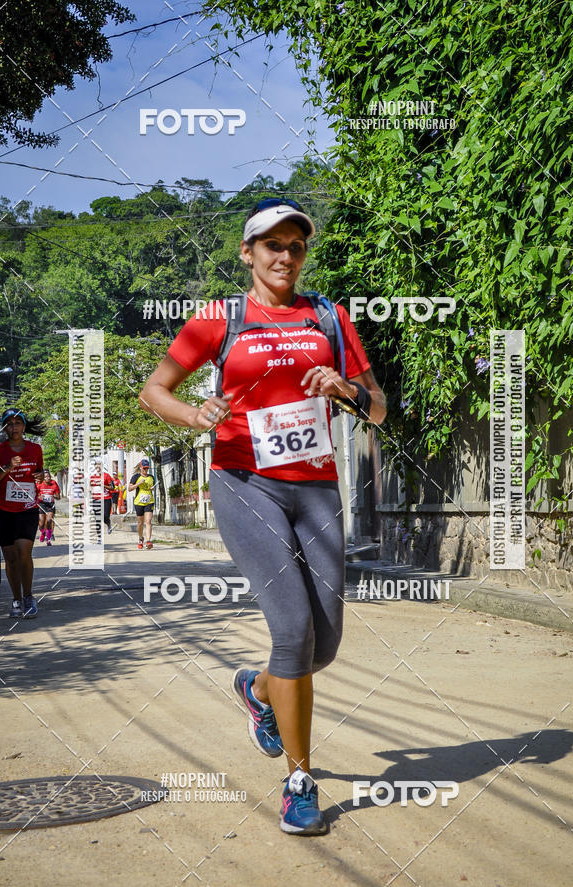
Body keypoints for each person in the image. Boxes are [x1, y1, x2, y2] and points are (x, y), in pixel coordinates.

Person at [140, 197, 386, 835]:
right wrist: (196, 415)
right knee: (292, 628)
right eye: (271, 245)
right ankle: (300, 784)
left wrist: (347, 390)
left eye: (295, 246)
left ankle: (257, 690)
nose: (284, 256)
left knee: (323, 643)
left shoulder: (329, 317)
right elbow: (155, 389)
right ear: (248, 253)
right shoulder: (217, 320)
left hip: (316, 489)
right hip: (244, 482)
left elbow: (378, 407)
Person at [0, 408, 46, 618]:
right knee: (10, 557)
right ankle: (16, 599)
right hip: (2, 510)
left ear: (24, 427)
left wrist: (41, 476)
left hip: (27, 508)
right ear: (5, 427)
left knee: (23, 551)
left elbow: (41, 474)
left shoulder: (35, 449)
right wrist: (7, 467)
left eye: (18, 422)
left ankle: (28, 596)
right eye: (10, 423)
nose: (14, 426)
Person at [127, 459, 155, 550]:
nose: (145, 470)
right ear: (140, 467)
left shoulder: (151, 477)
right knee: (140, 523)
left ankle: (148, 541)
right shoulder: (136, 477)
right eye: (144, 468)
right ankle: (140, 539)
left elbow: (152, 487)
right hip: (139, 502)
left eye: (147, 468)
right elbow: (130, 488)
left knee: (148, 521)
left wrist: (152, 488)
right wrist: (138, 483)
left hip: (149, 501)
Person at [90, 462, 116, 538]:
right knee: (97, 518)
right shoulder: (92, 477)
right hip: (96, 499)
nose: (97, 467)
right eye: (96, 465)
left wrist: (103, 485)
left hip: (106, 499)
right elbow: (90, 487)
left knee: (105, 516)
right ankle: (99, 537)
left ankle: (108, 523)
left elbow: (112, 487)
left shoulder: (106, 476)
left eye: (99, 465)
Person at [37, 469, 60, 546]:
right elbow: (34, 495)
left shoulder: (54, 483)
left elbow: (58, 497)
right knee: (41, 524)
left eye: (49, 476)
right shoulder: (39, 484)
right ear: (43, 478)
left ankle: (48, 539)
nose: (47, 478)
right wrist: (39, 497)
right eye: (45, 476)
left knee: (49, 521)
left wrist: (53, 496)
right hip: (42, 504)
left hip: (50, 505)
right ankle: (43, 533)